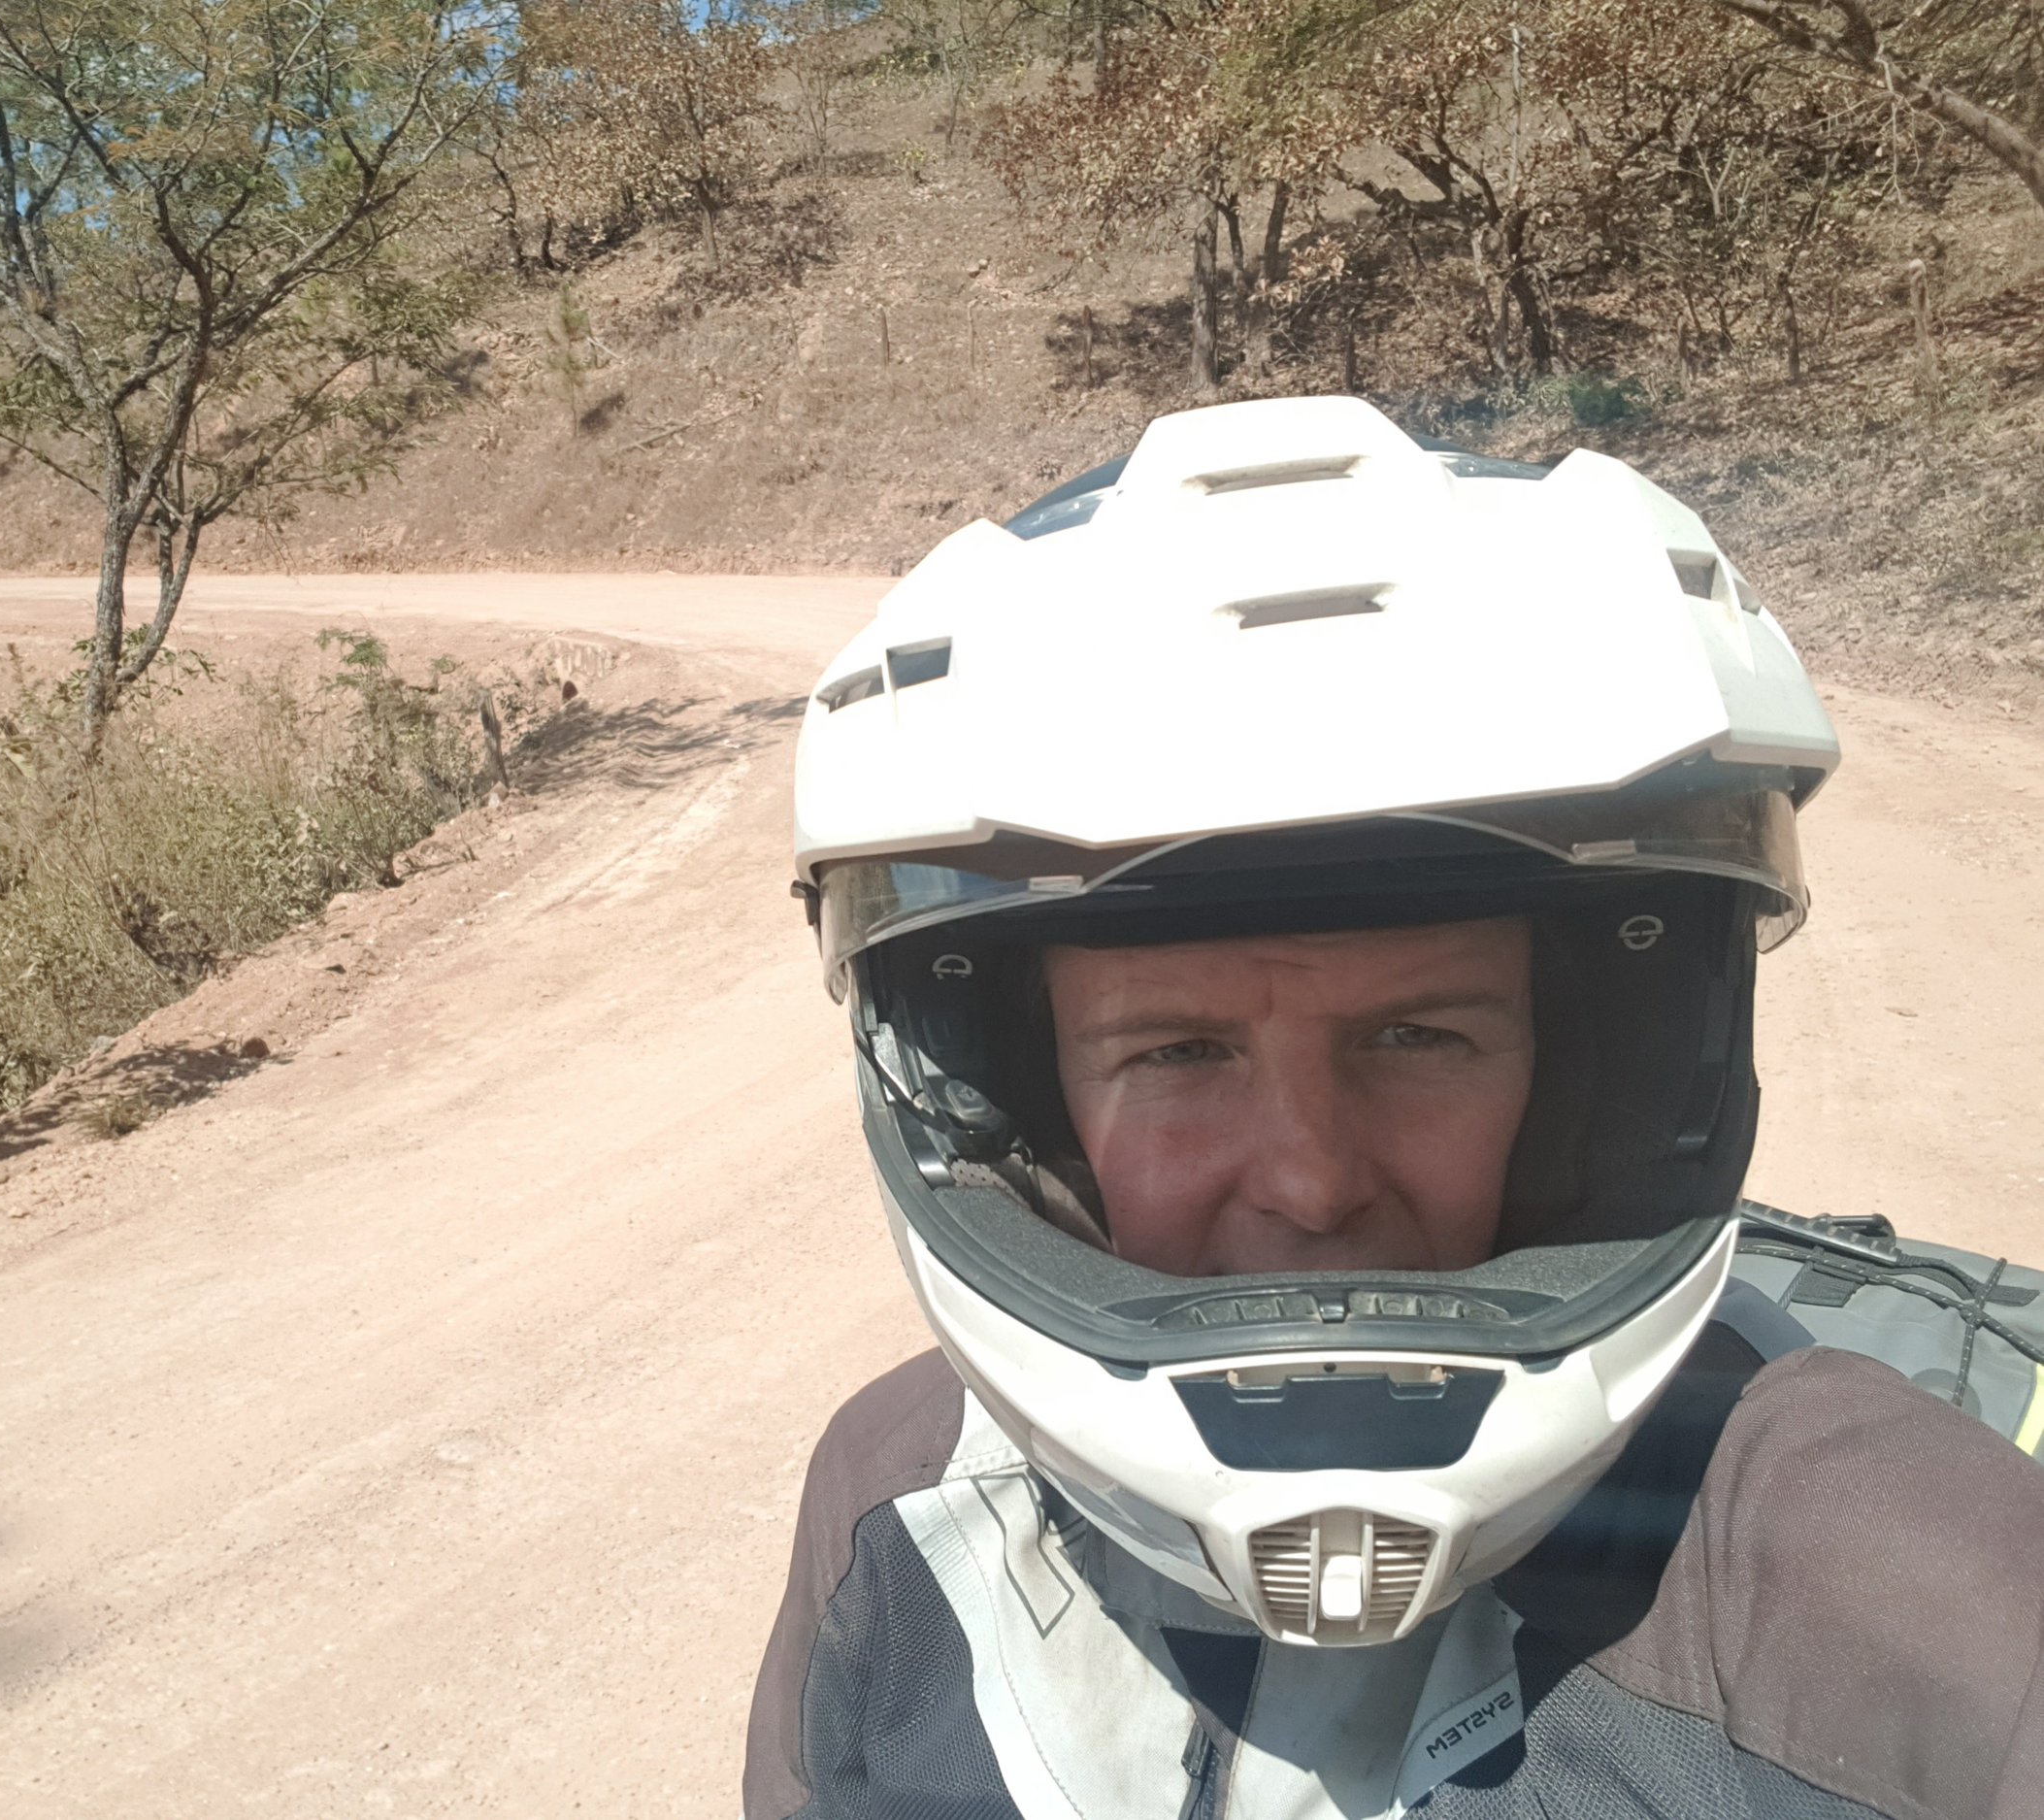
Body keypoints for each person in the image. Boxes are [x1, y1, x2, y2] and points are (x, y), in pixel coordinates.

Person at [745, 396, 2044, 1820]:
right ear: (1022, 1119)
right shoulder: (901, 1509)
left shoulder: (1903, 1584)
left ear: (1592, 1083)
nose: (1311, 1180)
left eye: (1421, 1034)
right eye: (1175, 1055)